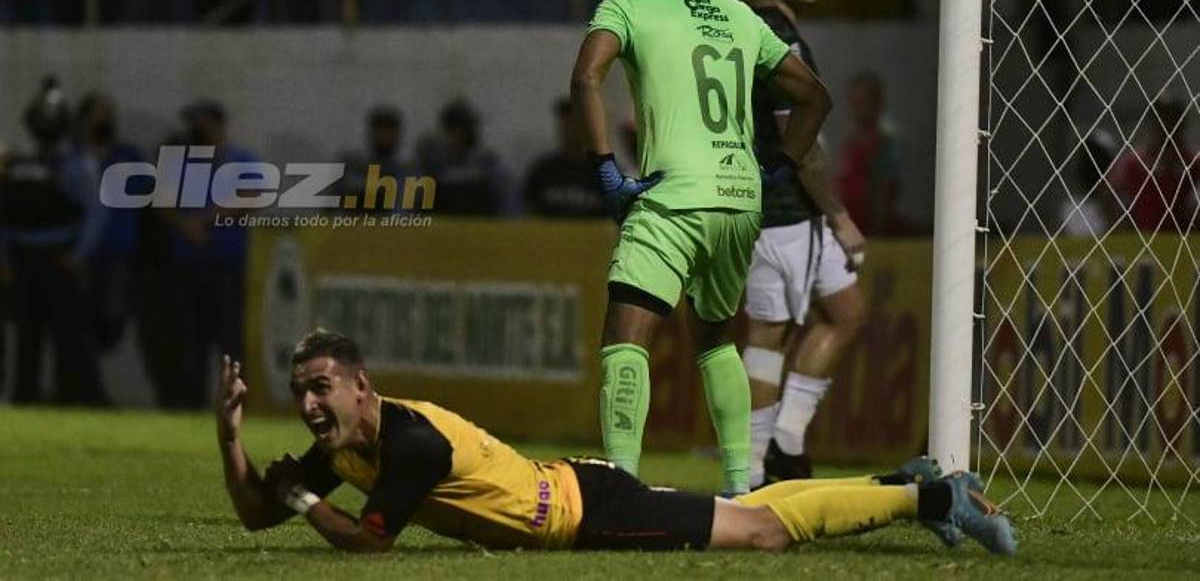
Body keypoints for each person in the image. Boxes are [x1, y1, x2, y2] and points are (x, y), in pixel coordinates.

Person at [214, 329, 1016, 555]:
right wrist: (232, 433)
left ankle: (932, 497)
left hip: (583, 512)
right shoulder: (348, 441)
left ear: (361, 385)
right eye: (301, 393)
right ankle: (898, 481)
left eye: (322, 388)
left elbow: (365, 545)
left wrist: (304, 496)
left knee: (761, 533)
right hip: (574, 493)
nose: (310, 405)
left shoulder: (410, 442)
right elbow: (257, 515)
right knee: (749, 508)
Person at [570, 0, 831, 496]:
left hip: (673, 196)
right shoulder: (739, 12)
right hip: (740, 201)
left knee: (626, 336)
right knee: (714, 341)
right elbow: (814, 97)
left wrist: (606, 169)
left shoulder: (627, 3)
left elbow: (587, 78)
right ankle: (741, 484)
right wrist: (780, 169)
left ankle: (620, 486)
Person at [740, 0, 869, 486]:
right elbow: (799, 139)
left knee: (847, 313)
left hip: (795, 212)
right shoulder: (776, 39)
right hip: (780, 211)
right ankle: (750, 467)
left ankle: (786, 441)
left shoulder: (768, 30)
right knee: (768, 338)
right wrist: (840, 216)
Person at [0, 77, 107, 404]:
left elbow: (94, 211)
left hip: (58, 259)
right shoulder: (15, 165)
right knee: (27, 338)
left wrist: (77, 255)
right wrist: (4, 257)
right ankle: (25, 397)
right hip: (24, 259)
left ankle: (70, 398)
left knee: (67, 338)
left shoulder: (73, 166)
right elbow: (6, 215)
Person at [169, 99, 258, 407]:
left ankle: (233, 402)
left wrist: (202, 220)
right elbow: (162, 201)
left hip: (226, 265)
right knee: (188, 340)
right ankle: (188, 402)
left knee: (229, 341)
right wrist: (183, 223)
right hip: (187, 264)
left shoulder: (241, 159)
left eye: (200, 122)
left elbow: (250, 196)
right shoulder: (183, 162)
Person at [76, 92, 143, 351]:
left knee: (112, 316)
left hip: (118, 248)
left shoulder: (127, 154)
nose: (107, 119)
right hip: (77, 250)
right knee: (78, 316)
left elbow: (147, 190)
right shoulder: (73, 154)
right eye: (101, 113)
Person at [1110, 98, 1198, 232]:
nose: (1166, 126)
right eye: (1160, 120)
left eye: (1171, 120)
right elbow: (1109, 196)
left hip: (1186, 245)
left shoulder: (1194, 164)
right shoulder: (1133, 164)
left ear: (1181, 123)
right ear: (1151, 124)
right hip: (1143, 244)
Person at [419, 98, 518, 216]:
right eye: (454, 129)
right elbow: (417, 201)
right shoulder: (433, 163)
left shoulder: (487, 163)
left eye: (464, 129)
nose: (459, 134)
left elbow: (509, 204)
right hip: (440, 227)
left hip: (479, 227)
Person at [837, 72, 902, 235]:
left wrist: (876, 231)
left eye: (862, 102)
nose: (856, 108)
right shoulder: (850, 142)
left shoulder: (883, 145)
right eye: (854, 101)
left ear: (877, 104)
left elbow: (884, 192)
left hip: (870, 230)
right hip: (849, 226)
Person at [523, 97, 606, 218]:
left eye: (574, 123)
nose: (569, 129)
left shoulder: (603, 171)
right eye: (565, 123)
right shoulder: (543, 171)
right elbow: (528, 211)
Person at [334, 105, 413, 211]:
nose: (384, 135)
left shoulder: (407, 169)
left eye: (388, 130)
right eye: (380, 130)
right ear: (371, 133)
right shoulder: (353, 165)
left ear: (397, 134)